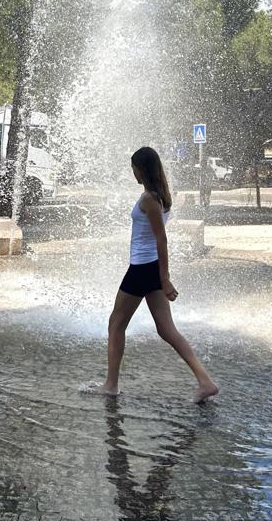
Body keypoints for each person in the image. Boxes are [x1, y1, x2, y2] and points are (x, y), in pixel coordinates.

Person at [85, 146, 219, 404]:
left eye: (134, 168)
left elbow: (162, 240)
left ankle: (111, 385)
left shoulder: (149, 199)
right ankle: (205, 381)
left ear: (141, 169)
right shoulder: (159, 196)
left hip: (142, 269)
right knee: (167, 330)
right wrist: (161, 276)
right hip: (150, 268)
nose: (132, 173)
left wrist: (165, 278)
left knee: (115, 325)